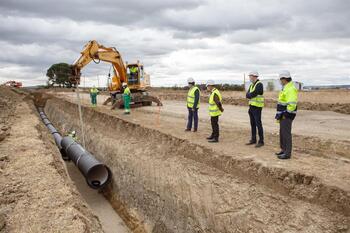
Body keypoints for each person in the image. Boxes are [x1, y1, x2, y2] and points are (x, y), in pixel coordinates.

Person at [275, 70, 298, 159]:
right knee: (282, 133)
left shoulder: (290, 89)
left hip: (287, 115)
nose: (280, 81)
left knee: (286, 134)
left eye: (280, 79)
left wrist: (286, 114)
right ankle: (283, 150)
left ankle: (287, 153)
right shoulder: (286, 87)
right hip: (283, 114)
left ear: (284, 79)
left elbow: (292, 104)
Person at [245, 71, 264, 147]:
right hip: (251, 107)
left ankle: (261, 141)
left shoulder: (259, 84)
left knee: (258, 124)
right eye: (249, 76)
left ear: (255, 76)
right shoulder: (252, 85)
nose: (249, 77)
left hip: (257, 107)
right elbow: (247, 95)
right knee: (252, 124)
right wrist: (249, 95)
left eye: (250, 76)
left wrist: (250, 95)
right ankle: (253, 139)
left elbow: (254, 93)